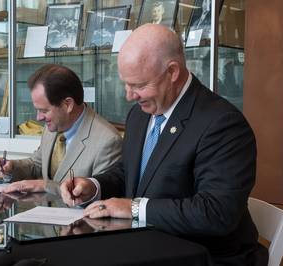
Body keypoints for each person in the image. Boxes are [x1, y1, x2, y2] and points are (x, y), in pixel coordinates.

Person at [60, 24, 267, 265]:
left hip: (207, 257)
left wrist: (134, 208)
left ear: (172, 72)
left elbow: (216, 212)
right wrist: (94, 186)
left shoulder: (222, 124)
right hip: (146, 249)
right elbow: (131, 173)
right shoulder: (140, 114)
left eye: (138, 85)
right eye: (126, 84)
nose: (129, 95)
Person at [0, 64, 122, 196]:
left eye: (44, 110)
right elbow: (37, 165)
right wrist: (10, 168)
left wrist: (46, 185)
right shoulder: (53, 125)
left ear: (68, 104)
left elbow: (98, 195)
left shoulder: (108, 141)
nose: (38, 117)